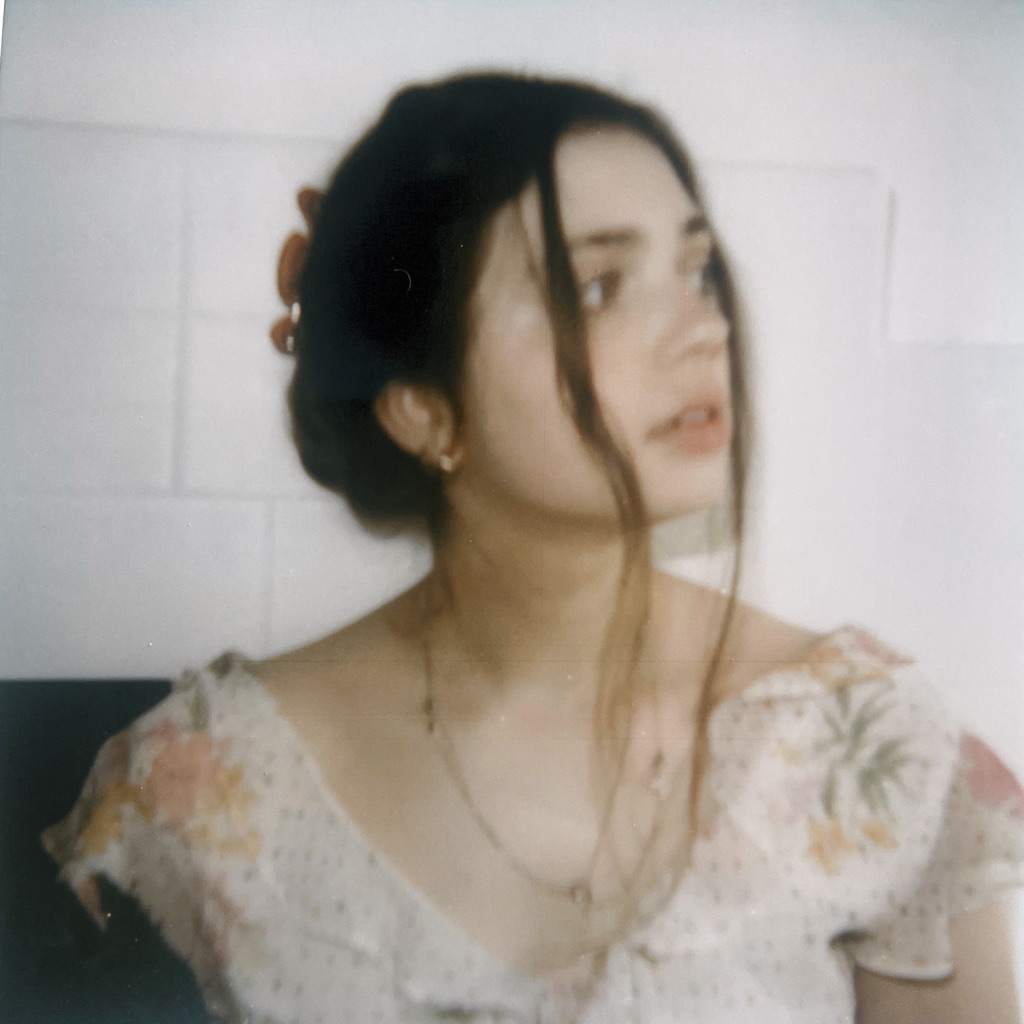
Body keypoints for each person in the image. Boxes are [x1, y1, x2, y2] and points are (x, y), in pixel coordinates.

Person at [42, 71, 1024, 1024]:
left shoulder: (870, 745)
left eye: (697, 273)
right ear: (424, 409)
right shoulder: (205, 781)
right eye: (596, 287)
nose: (701, 330)